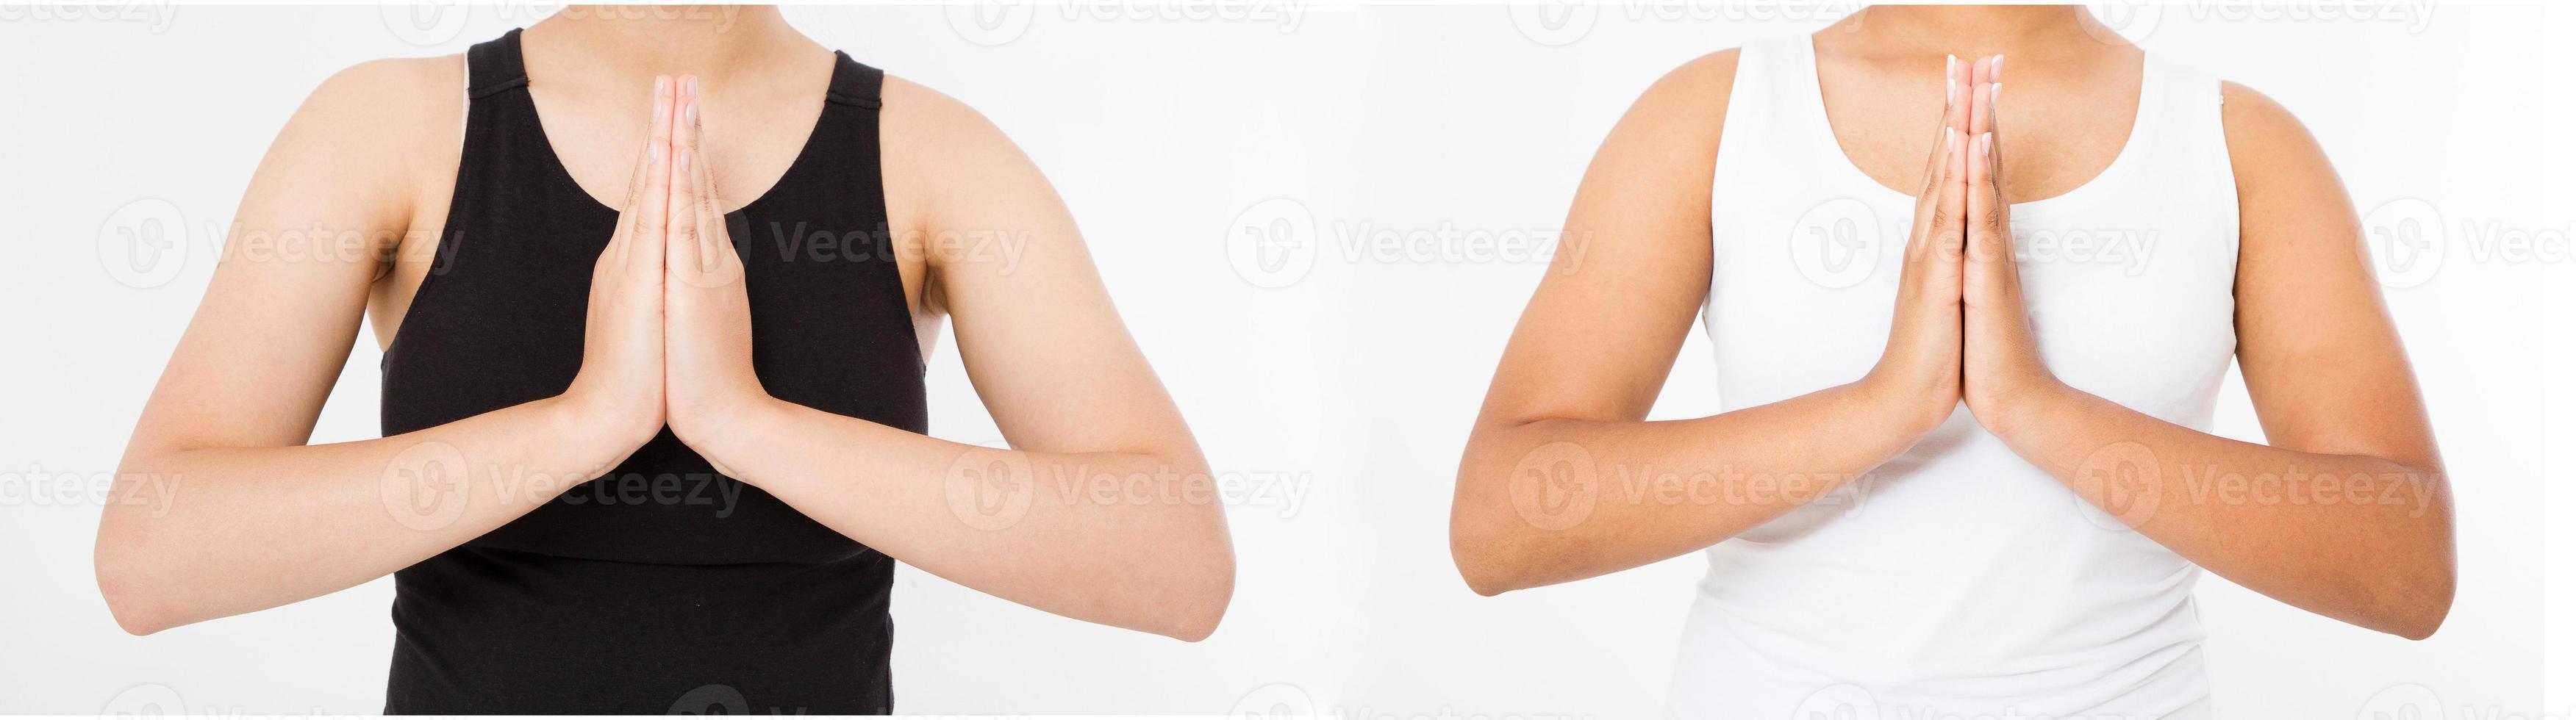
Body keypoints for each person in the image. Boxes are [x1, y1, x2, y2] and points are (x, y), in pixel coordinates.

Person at [95, 7, 1234, 713]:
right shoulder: (385, 129)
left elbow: (1177, 567)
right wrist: (584, 422)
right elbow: (153, 558)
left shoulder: (939, 157)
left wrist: (746, 423)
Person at [1448, 6, 2453, 716]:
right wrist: (1889, 404)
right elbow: (1500, 525)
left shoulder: (2242, 146)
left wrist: (2031, 406)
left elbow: (2406, 571)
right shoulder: (1715, 115)